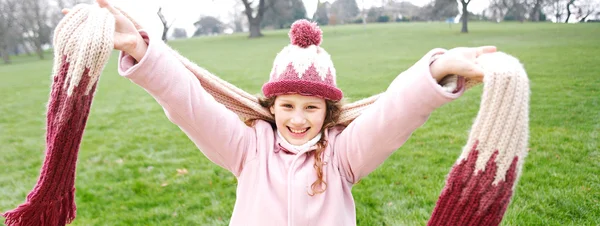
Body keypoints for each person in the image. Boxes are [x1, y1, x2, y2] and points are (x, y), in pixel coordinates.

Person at [63, 1, 496, 225]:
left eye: (312, 107)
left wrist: (437, 70)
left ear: (328, 112)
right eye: (287, 106)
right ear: (271, 107)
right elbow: (189, 103)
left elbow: (393, 116)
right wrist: (140, 48)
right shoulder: (248, 149)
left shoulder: (342, 157)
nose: (298, 118)